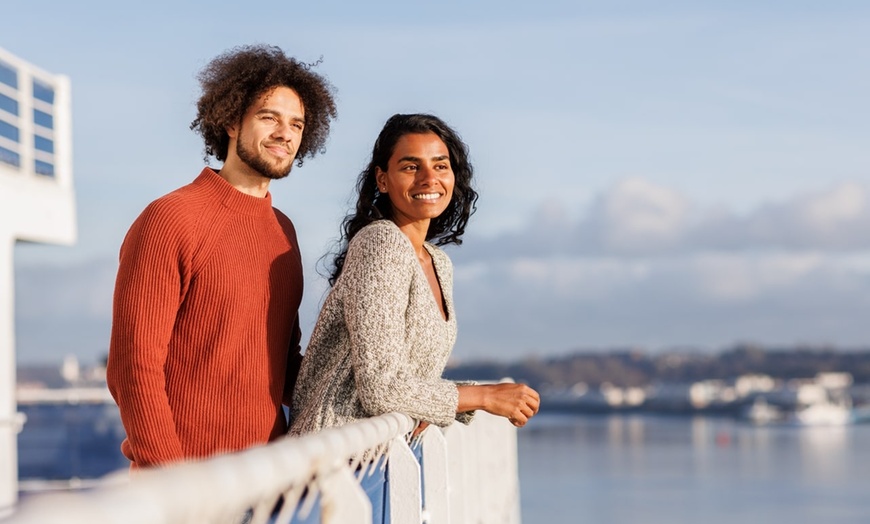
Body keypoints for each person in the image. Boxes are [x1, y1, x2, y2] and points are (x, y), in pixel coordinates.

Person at [106, 44, 337, 469]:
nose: (285, 133)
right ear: (231, 120)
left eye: (297, 124)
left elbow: (284, 368)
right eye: (269, 117)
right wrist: (175, 482)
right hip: (190, 490)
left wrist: (388, 395)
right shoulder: (171, 217)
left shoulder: (284, 233)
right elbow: (133, 367)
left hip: (269, 483)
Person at [290, 112, 540, 440]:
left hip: (384, 461)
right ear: (382, 180)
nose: (428, 178)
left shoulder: (438, 262)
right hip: (335, 460)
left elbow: (406, 384)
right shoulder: (380, 242)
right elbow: (382, 387)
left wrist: (434, 405)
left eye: (440, 165)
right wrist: (483, 396)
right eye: (411, 167)